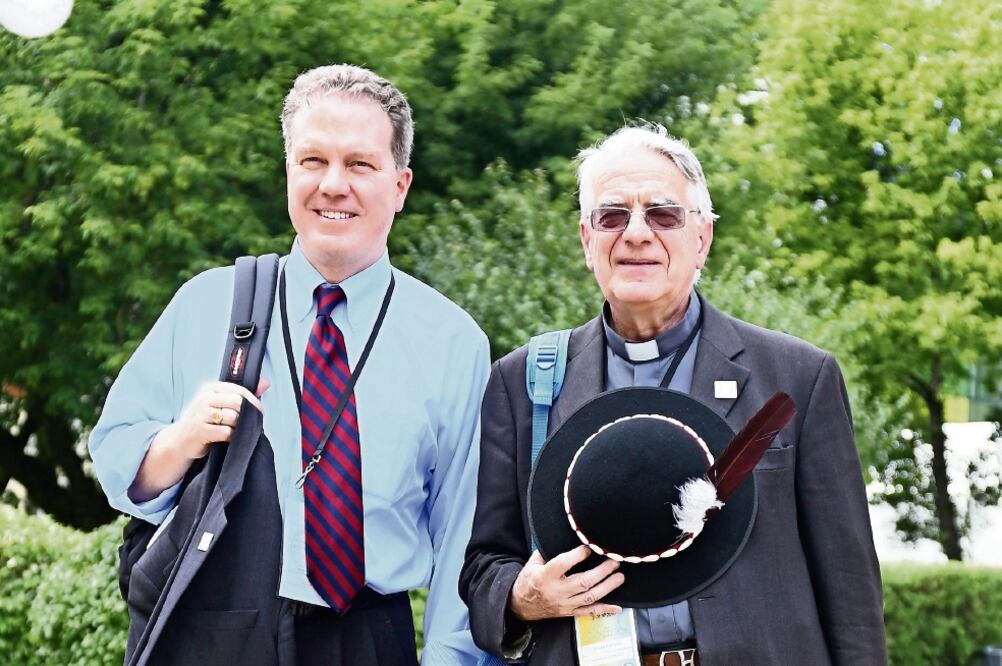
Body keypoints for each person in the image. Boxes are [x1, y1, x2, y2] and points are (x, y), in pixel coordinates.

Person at [89, 64, 490, 665]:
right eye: (312, 161)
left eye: (360, 164)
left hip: (370, 639)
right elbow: (119, 465)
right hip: (221, 629)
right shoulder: (208, 303)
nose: (334, 184)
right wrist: (182, 439)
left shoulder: (454, 341)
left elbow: (463, 533)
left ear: (400, 185)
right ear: (288, 172)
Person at [459, 123, 887, 665]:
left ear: (701, 237)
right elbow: (482, 569)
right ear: (588, 241)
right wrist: (522, 598)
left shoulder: (797, 377)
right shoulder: (523, 384)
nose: (636, 234)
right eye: (612, 216)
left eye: (663, 215)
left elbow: (850, 590)